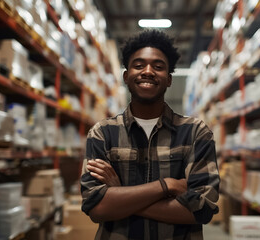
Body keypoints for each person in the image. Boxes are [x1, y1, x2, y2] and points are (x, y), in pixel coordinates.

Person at [80, 29, 220, 240]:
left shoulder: (195, 133)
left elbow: (202, 209)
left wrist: (121, 194)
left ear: (169, 79)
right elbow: (96, 208)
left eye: (158, 66)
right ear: (126, 77)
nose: (147, 71)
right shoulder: (102, 133)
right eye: (138, 65)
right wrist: (167, 185)